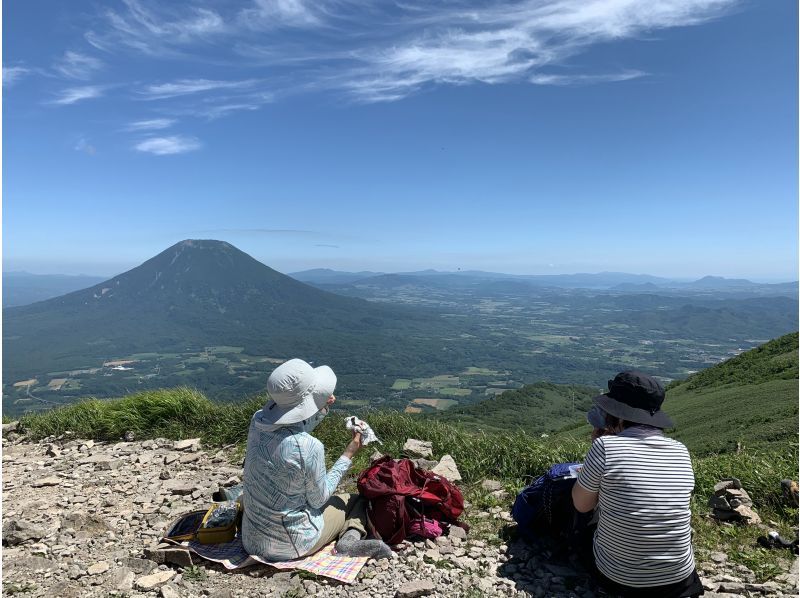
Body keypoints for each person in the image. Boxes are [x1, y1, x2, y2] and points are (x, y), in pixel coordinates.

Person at [241, 358, 392, 561]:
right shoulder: (309, 446)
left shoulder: (257, 420)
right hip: (291, 545)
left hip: (250, 541)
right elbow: (318, 500)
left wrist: (320, 408)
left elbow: (291, 427)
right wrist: (348, 454)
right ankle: (349, 542)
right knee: (355, 500)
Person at [572, 371, 703, 598]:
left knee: (578, 512)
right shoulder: (681, 451)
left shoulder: (605, 446)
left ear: (618, 416)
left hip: (620, 579)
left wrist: (597, 455)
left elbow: (581, 506)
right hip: (679, 581)